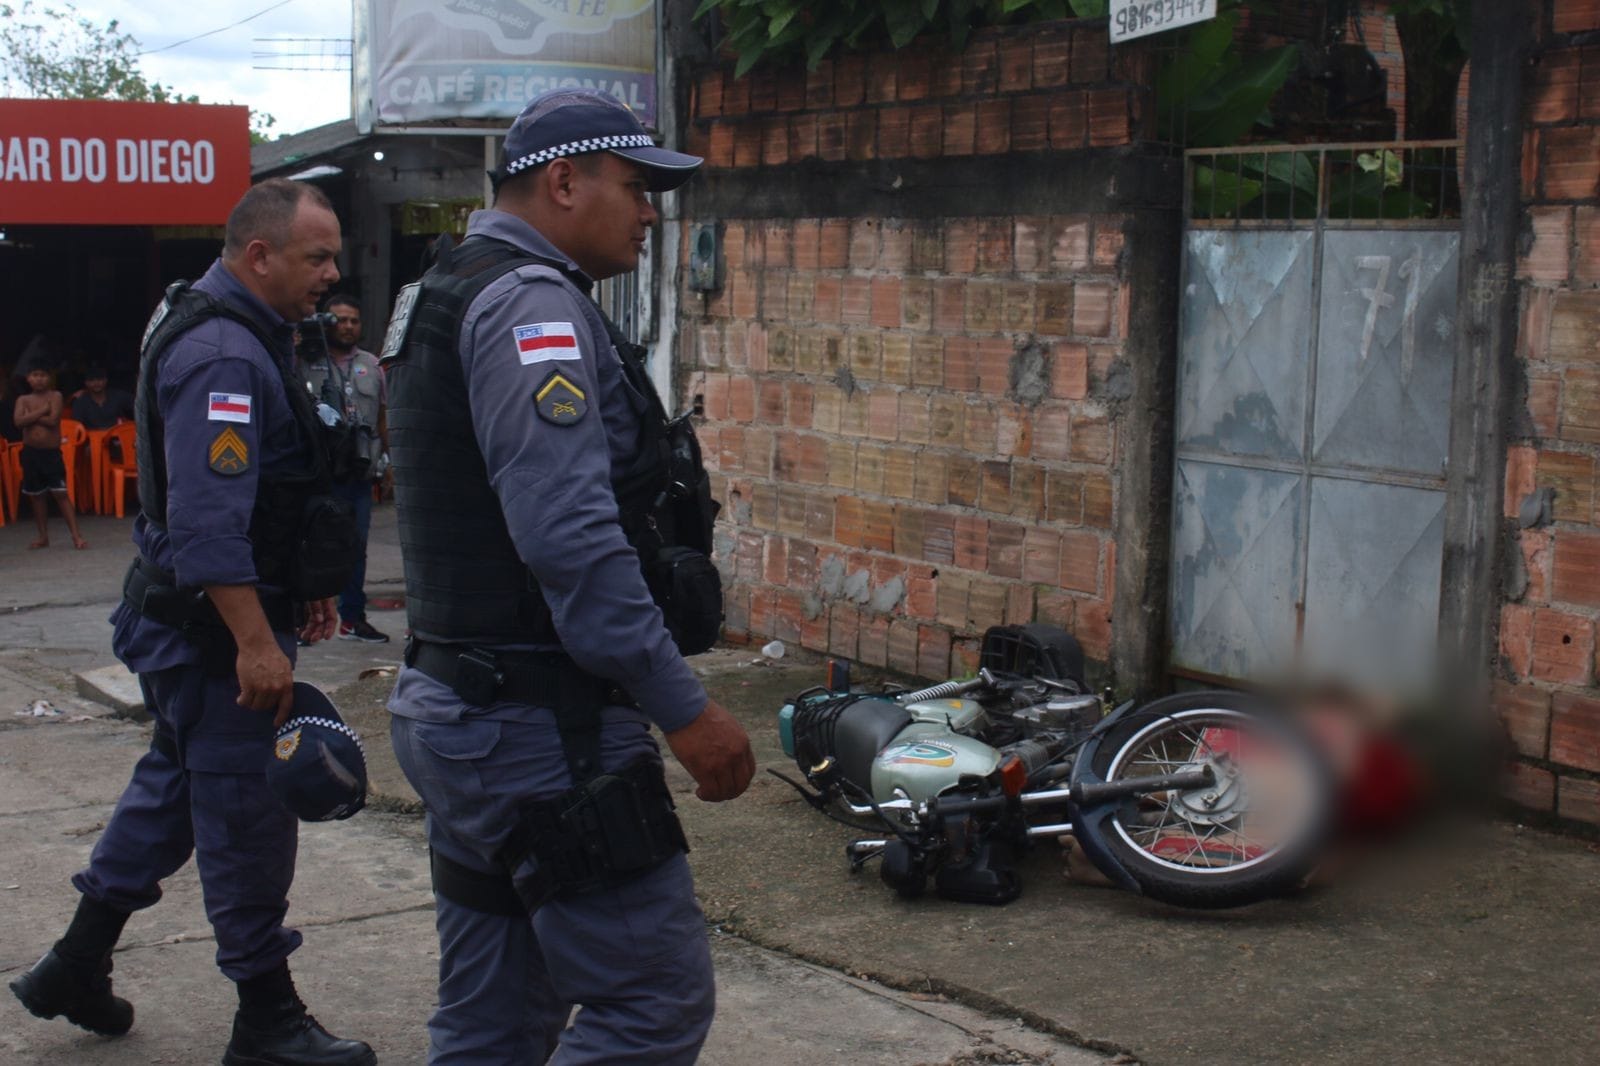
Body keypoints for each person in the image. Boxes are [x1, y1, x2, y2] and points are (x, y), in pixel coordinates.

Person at [383, 89, 755, 1064]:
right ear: (561, 181)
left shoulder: (449, 285)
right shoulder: (529, 308)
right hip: (541, 732)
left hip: (467, 708)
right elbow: (573, 542)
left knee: (495, 1020)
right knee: (653, 1004)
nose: (649, 212)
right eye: (634, 187)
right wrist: (681, 707)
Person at [8, 178, 375, 1066]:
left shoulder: (242, 328)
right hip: (214, 634)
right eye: (316, 256)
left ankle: (74, 964)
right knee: (246, 818)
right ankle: (266, 1018)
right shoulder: (223, 354)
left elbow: (270, 495)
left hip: (198, 622)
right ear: (259, 256)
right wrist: (257, 641)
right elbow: (210, 527)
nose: (332, 274)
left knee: (171, 791)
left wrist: (303, 588)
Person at [301, 294, 390, 643]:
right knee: (312, 545)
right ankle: (304, 622)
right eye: (340, 320)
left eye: (354, 320)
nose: (348, 326)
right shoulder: (304, 361)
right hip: (318, 474)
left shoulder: (372, 364)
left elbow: (383, 416)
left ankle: (352, 619)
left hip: (359, 472)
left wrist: (391, 462)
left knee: (355, 546)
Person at [13, 360, 89, 550]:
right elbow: (18, 422)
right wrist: (42, 411)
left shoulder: (55, 395)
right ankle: (43, 536)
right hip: (31, 453)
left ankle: (76, 536)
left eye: (43, 375)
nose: (39, 379)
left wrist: (32, 416)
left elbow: (53, 420)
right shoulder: (23, 400)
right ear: (28, 378)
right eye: (35, 375)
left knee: (60, 493)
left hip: (51, 453)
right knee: (37, 496)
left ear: (49, 378)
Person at [71, 364, 135, 429]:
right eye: (91, 380)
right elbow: (76, 426)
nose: (96, 383)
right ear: (86, 383)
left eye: (99, 379)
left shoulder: (118, 396)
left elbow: (139, 404)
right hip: (91, 437)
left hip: (116, 436)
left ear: (105, 380)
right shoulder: (80, 402)